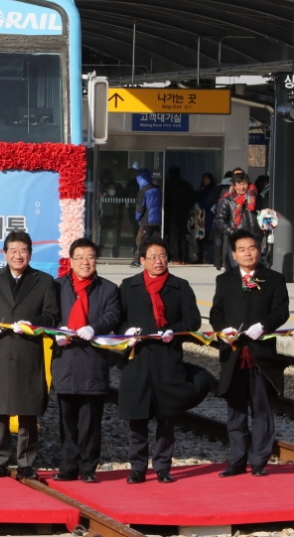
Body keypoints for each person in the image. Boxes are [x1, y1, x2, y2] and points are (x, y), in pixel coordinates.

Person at [117, 236, 214, 484]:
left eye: (162, 256)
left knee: (166, 417)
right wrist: (128, 333)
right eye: (153, 257)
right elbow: (118, 320)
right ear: (142, 261)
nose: (159, 261)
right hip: (137, 360)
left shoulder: (180, 286)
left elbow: (193, 321)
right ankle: (137, 467)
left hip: (167, 360)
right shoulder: (128, 287)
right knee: (137, 418)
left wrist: (175, 329)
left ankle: (162, 466)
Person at [209, 229, 289, 477]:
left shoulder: (274, 279)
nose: (247, 253)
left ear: (260, 249)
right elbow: (216, 313)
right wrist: (224, 329)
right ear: (233, 254)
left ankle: (259, 461)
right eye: (241, 249)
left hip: (260, 355)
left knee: (262, 409)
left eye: (251, 248)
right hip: (233, 354)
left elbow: (281, 311)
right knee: (235, 410)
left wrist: (263, 326)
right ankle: (237, 460)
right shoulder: (225, 280)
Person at [0, 231, 58, 480]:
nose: (18, 255)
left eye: (23, 251)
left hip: (28, 351)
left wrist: (32, 323)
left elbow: (51, 317)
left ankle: (26, 462)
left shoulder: (44, 281)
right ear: (4, 254)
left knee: (28, 409)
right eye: (12, 250)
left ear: (30, 254)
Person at [51, 238, 120, 483]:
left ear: (96, 260)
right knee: (67, 420)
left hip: (93, 361)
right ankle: (68, 467)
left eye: (89, 256)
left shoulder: (108, 289)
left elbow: (113, 315)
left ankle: (89, 468)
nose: (85, 262)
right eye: (79, 257)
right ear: (70, 261)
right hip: (66, 360)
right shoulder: (57, 286)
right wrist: (56, 331)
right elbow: (49, 314)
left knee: (91, 420)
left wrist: (95, 327)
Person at [215, 172, 263, 270]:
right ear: (234, 185)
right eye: (239, 184)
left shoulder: (256, 198)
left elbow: (264, 214)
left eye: (244, 184)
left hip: (254, 239)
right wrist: (233, 232)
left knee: (254, 271)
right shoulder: (227, 199)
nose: (242, 187)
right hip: (236, 240)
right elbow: (220, 220)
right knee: (237, 271)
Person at [130, 168, 161, 267]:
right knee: (156, 241)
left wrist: (137, 217)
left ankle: (136, 260)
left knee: (141, 241)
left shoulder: (143, 191)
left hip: (146, 220)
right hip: (157, 220)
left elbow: (140, 207)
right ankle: (157, 259)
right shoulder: (157, 189)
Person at [163, 166, 194, 264]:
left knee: (174, 237)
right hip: (184, 214)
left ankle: (176, 258)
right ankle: (184, 258)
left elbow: (165, 201)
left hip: (172, 215)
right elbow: (192, 200)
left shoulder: (168, 186)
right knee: (183, 236)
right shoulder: (186, 185)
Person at [196, 172, 216, 264]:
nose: (205, 181)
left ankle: (208, 257)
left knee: (208, 238)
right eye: (204, 179)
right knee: (201, 238)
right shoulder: (202, 190)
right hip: (201, 217)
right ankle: (202, 256)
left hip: (209, 217)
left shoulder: (212, 190)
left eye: (207, 179)